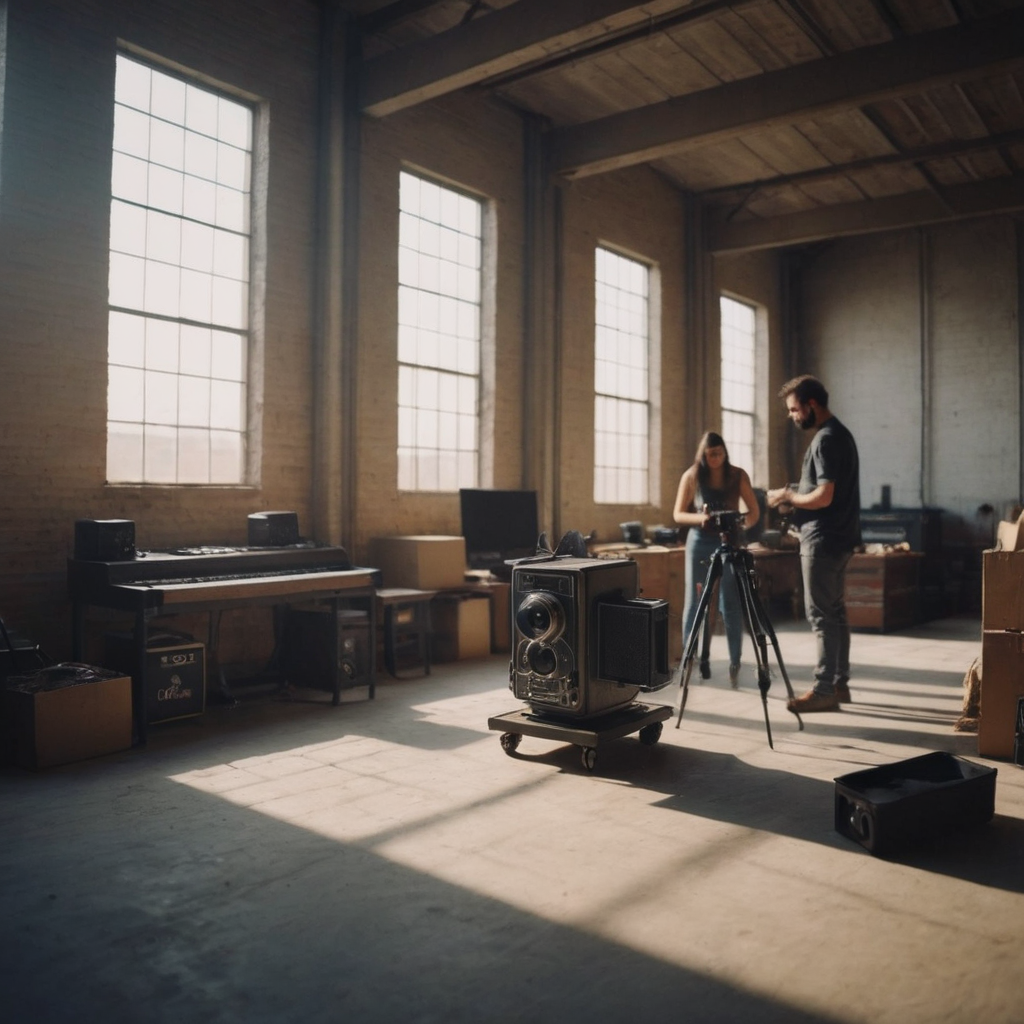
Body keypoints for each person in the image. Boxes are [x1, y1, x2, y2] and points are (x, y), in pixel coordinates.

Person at [767, 375, 861, 713]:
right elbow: (824, 490)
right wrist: (792, 492)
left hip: (822, 540)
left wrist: (788, 496)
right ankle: (839, 684)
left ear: (812, 405)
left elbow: (824, 497)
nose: (792, 417)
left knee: (821, 616)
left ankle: (824, 690)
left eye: (794, 410)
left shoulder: (825, 440)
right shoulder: (841, 434)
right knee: (835, 613)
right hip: (841, 537)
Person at [673, 431, 760, 688]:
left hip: (729, 540)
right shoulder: (691, 476)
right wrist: (701, 519)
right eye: (710, 454)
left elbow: (754, 510)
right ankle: (690, 660)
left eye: (719, 453)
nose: (715, 459)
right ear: (703, 454)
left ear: (725, 453)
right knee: (695, 603)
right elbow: (678, 513)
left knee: (730, 603)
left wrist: (740, 524)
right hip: (699, 542)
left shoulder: (737, 475)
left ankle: (736, 661)